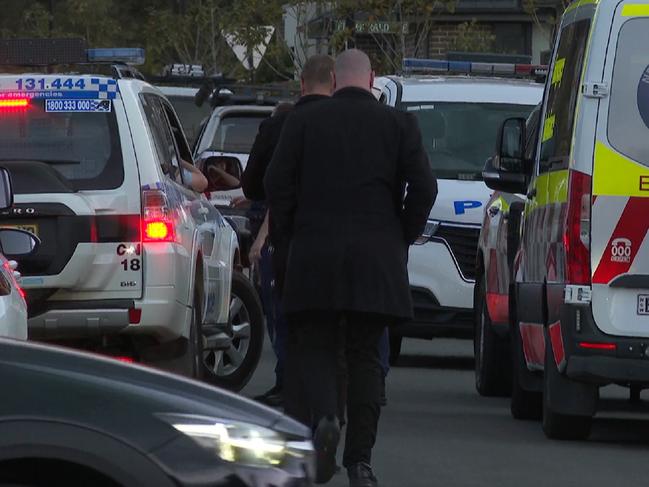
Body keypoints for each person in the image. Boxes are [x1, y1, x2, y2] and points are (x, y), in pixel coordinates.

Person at [264, 49, 437, 486]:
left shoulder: (303, 122)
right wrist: (399, 234)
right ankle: (360, 461)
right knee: (365, 357)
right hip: (375, 260)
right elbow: (424, 186)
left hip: (314, 256)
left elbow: (275, 184)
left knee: (317, 347)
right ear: (373, 79)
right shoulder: (399, 125)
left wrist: (288, 239)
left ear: (335, 80)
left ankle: (326, 420)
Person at [242, 55, 336, 407]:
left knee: (287, 315)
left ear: (301, 84)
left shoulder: (286, 124)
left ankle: (293, 386)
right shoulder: (352, 126)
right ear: (335, 83)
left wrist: (266, 235)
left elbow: (268, 185)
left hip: (290, 238)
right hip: (340, 240)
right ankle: (332, 399)